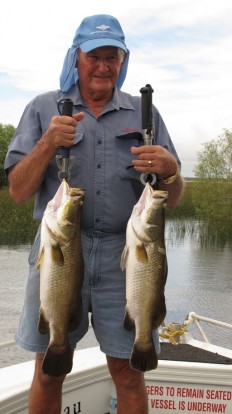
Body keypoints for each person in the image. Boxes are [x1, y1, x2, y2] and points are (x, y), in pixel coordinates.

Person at [4, 14, 184, 414]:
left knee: (127, 373)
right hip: (60, 247)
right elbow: (18, 190)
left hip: (128, 253)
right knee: (49, 371)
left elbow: (171, 198)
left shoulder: (145, 113)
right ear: (76, 58)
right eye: (94, 56)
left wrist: (171, 170)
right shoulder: (42, 108)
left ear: (123, 61)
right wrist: (49, 142)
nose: (103, 66)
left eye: (112, 57)